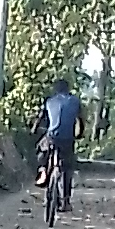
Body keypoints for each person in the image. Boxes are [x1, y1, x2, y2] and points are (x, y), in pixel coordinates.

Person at [41, 75, 83, 213]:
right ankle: (65, 201)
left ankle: (42, 171)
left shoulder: (49, 101)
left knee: (42, 151)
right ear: (68, 89)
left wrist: (34, 129)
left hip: (52, 138)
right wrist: (79, 135)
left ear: (55, 90)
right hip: (68, 139)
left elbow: (41, 119)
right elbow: (80, 122)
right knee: (67, 169)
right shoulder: (75, 101)